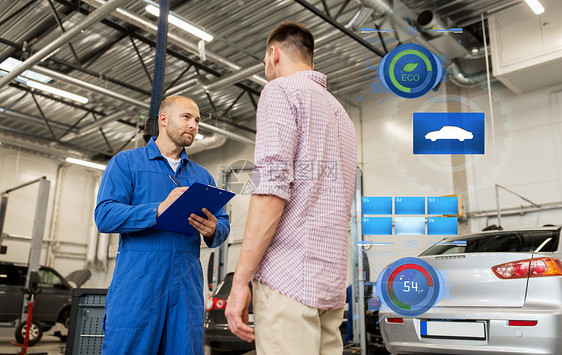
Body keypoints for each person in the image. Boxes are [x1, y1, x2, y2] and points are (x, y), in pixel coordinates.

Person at [225, 22, 358, 354]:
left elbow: (271, 190)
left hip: (289, 282)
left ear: (274, 54)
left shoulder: (280, 91)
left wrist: (240, 281)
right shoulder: (341, 115)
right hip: (330, 286)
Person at [95, 96, 230, 355]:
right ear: (163, 120)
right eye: (187, 117)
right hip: (138, 284)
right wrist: (156, 210)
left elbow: (222, 223)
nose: (194, 125)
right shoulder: (126, 163)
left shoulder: (202, 176)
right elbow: (105, 215)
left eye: (197, 120)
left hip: (186, 287)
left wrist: (214, 229)